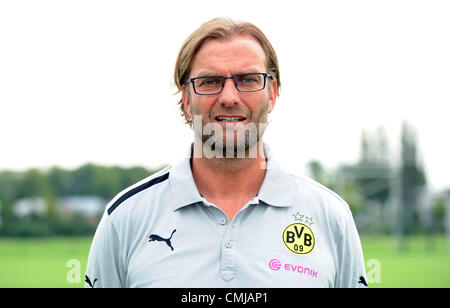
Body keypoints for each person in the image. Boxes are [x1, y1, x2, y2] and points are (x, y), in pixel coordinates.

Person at [85, 17, 367, 288]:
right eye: (210, 81)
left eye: (248, 79)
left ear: (272, 93)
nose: (229, 97)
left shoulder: (331, 217)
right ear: (186, 99)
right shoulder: (125, 218)